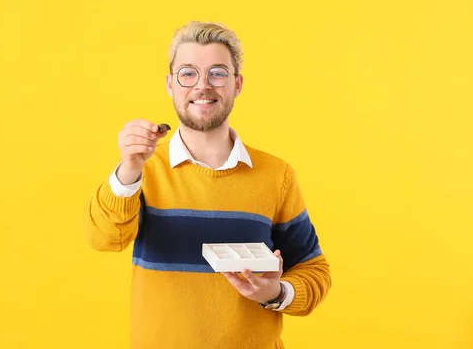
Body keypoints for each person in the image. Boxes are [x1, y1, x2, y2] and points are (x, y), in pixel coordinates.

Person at [83, 21, 331, 349]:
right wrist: (129, 169)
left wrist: (276, 293)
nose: (203, 86)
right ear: (170, 84)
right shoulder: (144, 171)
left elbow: (314, 272)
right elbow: (104, 239)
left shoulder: (276, 176)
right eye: (188, 73)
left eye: (217, 73)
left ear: (237, 84)